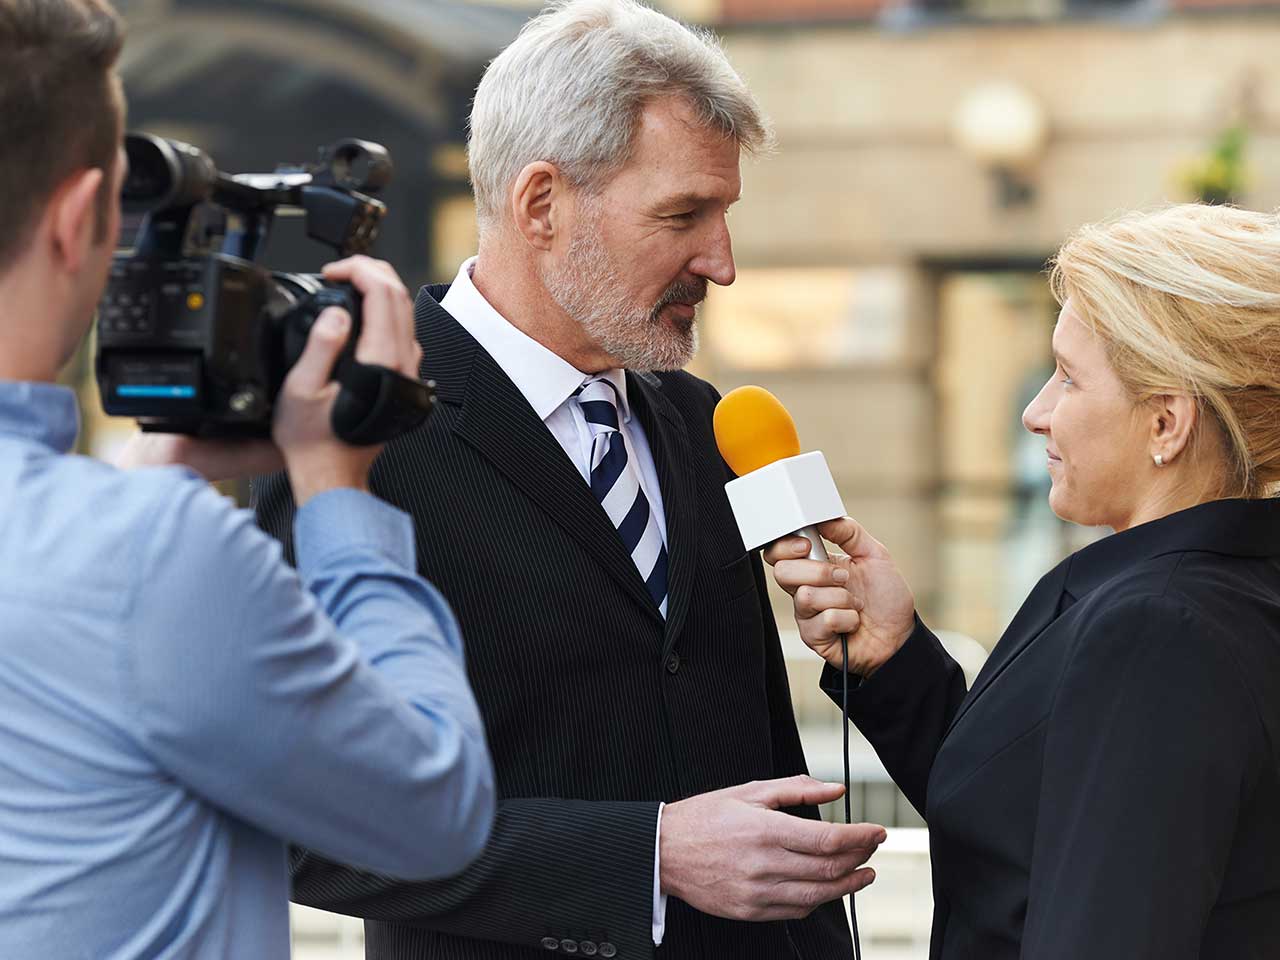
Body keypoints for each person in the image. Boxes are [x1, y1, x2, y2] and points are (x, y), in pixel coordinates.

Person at [253, 1, 886, 957]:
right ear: (541, 204)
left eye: (725, 214)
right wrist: (646, 857)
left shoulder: (701, 419)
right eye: (683, 215)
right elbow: (299, 815)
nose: (721, 263)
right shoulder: (350, 430)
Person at [0, 1, 495, 956]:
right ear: (74, 220)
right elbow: (438, 807)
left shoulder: (127, 534)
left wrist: (158, 470)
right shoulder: (148, 554)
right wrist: (337, 486)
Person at [766, 203, 1280, 959]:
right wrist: (894, 658)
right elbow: (1031, 820)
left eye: (1068, 378)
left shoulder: (1162, 627)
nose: (1037, 413)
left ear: (1166, 423)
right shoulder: (1206, 593)